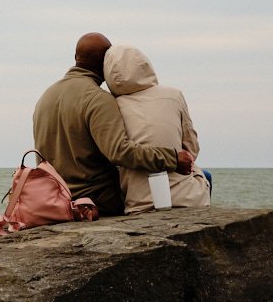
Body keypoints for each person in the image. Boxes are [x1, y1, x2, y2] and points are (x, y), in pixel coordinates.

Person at [32, 32, 185, 216]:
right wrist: (173, 158)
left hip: (56, 199)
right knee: (202, 178)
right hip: (99, 201)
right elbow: (120, 152)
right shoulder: (97, 98)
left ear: (75, 57)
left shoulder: (45, 98)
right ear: (106, 63)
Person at [103, 43, 211, 211]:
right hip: (188, 196)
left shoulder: (111, 106)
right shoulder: (173, 95)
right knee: (206, 176)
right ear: (144, 65)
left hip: (140, 202)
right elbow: (192, 150)